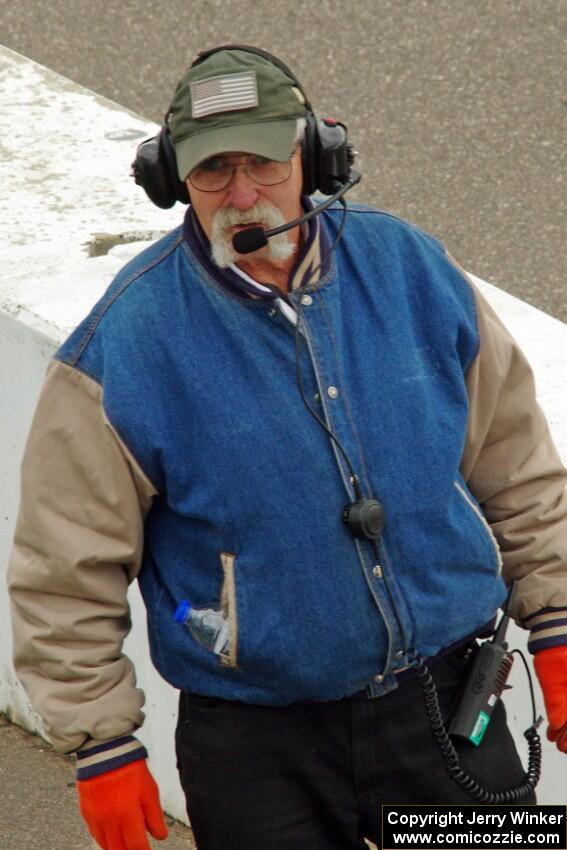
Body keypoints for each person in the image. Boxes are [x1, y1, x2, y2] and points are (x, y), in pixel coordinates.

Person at [8, 44, 567, 850]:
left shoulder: (414, 271)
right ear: (170, 179)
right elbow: (63, 571)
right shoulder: (122, 350)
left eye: (264, 164)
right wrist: (101, 744)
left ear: (311, 155)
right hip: (256, 752)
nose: (243, 195)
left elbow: (517, 468)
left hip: (447, 711)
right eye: (212, 172)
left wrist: (554, 619)